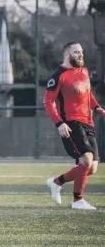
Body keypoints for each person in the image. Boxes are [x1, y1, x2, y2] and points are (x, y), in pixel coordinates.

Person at [43, 41, 105, 210]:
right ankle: (78, 200)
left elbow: (88, 93)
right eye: (76, 52)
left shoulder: (84, 71)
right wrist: (59, 123)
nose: (80, 54)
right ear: (66, 54)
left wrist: (98, 107)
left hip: (88, 122)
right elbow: (48, 102)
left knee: (91, 168)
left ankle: (57, 182)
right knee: (86, 160)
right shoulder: (58, 75)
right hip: (71, 123)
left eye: (81, 51)